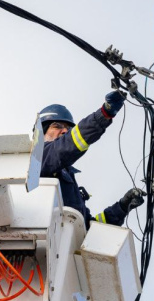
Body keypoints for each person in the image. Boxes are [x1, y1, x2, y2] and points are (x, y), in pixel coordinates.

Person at [39, 91, 145, 229]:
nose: (65, 131)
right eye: (57, 126)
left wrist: (122, 207)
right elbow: (66, 146)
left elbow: (89, 228)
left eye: (68, 128)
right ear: (42, 132)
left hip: (66, 246)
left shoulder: (66, 177)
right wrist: (104, 114)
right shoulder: (39, 157)